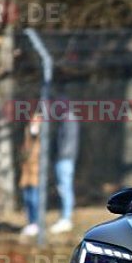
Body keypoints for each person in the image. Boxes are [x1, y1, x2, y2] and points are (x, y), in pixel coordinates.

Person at [50, 93, 80, 234]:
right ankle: (64, 217)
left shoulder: (69, 120)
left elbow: (68, 143)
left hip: (65, 159)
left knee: (64, 188)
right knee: (63, 188)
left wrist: (60, 156)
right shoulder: (65, 119)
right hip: (64, 159)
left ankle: (66, 219)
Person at [19, 117, 41, 236]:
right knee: (27, 198)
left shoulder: (41, 137)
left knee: (34, 198)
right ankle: (30, 222)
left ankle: (36, 222)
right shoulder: (27, 133)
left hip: (35, 170)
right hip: (26, 170)